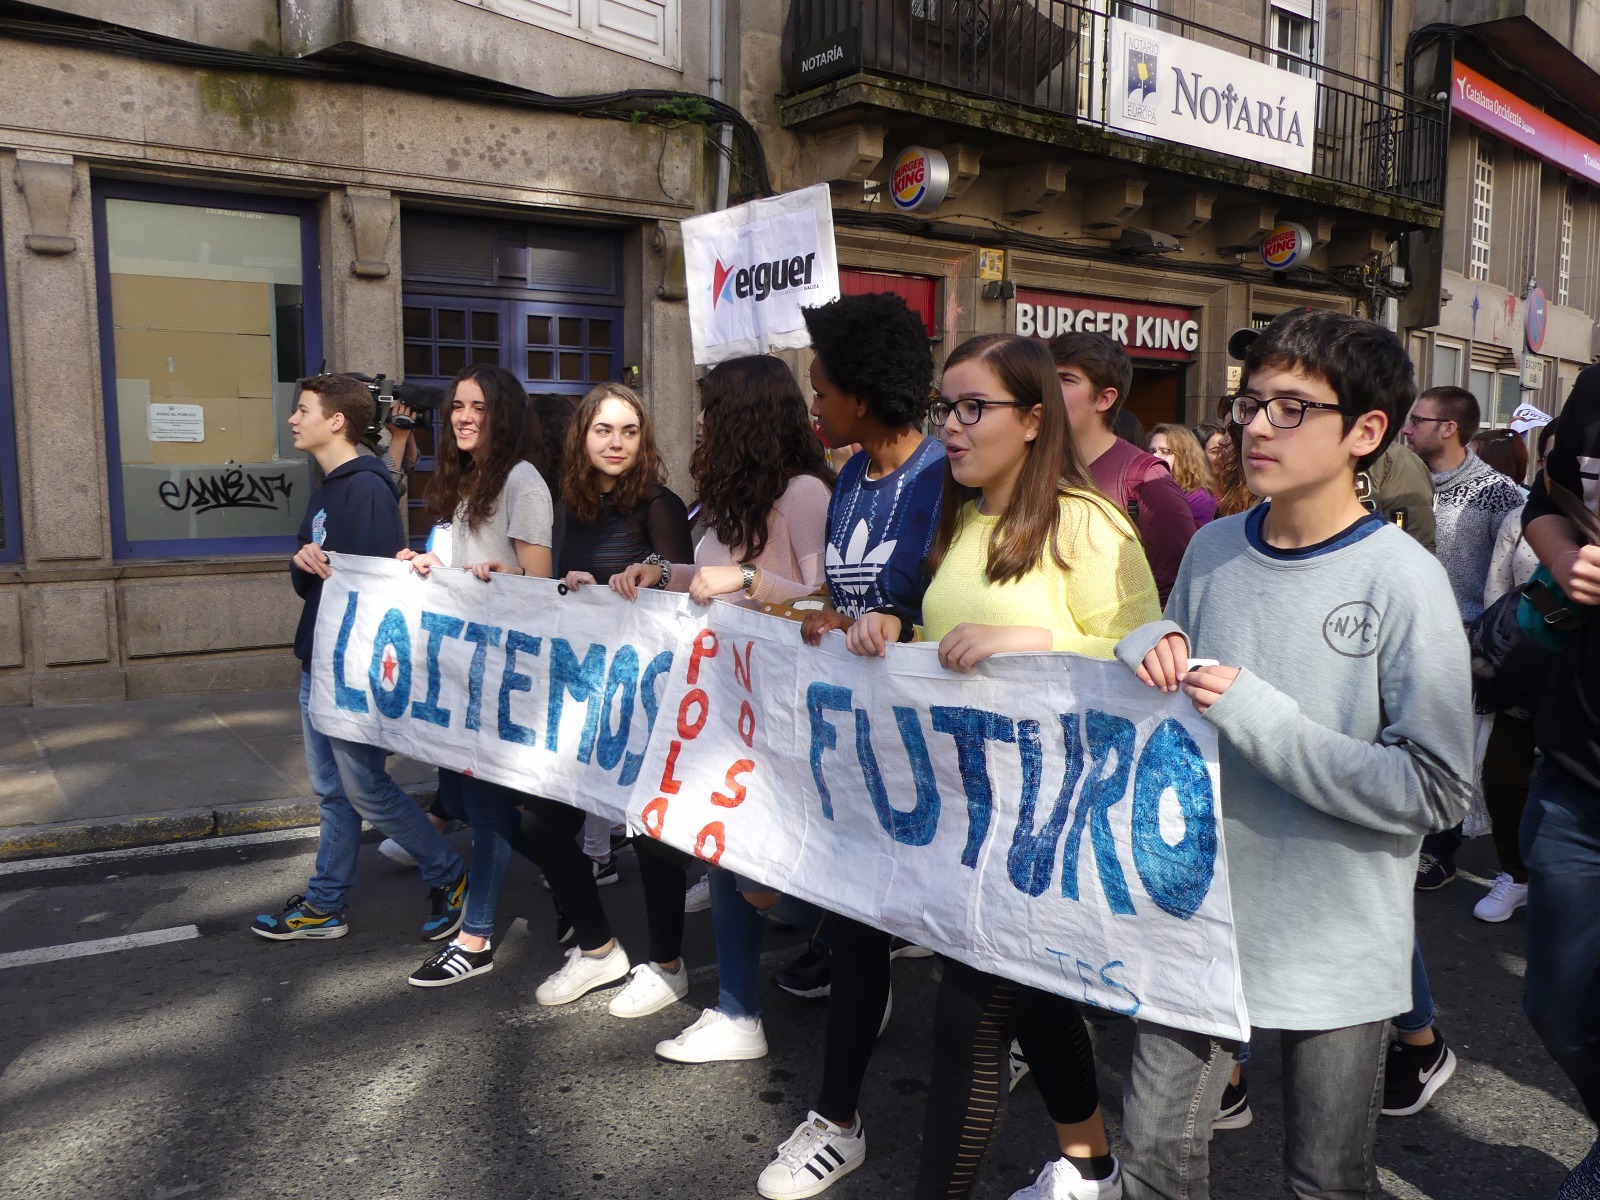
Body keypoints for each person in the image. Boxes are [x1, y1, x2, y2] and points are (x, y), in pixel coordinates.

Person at [1116, 309, 1474, 1200]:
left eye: (1291, 408)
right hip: (1196, 913)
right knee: (1152, 1158)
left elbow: (1437, 789)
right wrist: (1148, 640)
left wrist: (1262, 718)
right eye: (1250, 404)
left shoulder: (1404, 579)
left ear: (1366, 432)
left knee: (1325, 1179)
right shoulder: (1213, 546)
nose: (1256, 427)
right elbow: (1174, 651)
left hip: (1338, 936)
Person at [847, 333, 1157, 1200]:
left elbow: (1147, 658)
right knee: (1039, 999)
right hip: (968, 821)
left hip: (1052, 829)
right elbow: (955, 643)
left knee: (969, 1021)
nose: (950, 425)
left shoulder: (1088, 522)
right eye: (945, 406)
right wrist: (898, 629)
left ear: (1033, 419)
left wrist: (1035, 642)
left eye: (973, 407)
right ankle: (1093, 1169)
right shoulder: (962, 519)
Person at [756, 292, 944, 1200]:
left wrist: (904, 626)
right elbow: (844, 595)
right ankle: (836, 1120)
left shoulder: (948, 479)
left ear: (862, 396)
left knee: (985, 958)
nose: (813, 405)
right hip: (866, 753)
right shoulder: (850, 482)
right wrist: (817, 614)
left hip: (947, 758)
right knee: (858, 924)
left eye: (822, 388)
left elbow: (950, 606)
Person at [610, 354, 835, 1064]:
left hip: (783, 709)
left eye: (711, 409)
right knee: (724, 850)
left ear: (746, 416)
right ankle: (738, 1010)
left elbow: (823, 599)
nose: (701, 422)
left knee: (764, 878)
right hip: (727, 706)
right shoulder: (732, 498)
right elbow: (711, 577)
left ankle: (852, 953)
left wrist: (746, 577)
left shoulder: (804, 493)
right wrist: (661, 572)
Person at [250, 374, 470, 947]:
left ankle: (449, 875)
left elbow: (377, 589)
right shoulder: (328, 485)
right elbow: (313, 581)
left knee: (364, 787)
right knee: (333, 791)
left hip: (352, 669)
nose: (293, 419)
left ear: (336, 421)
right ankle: (326, 904)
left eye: (303, 410)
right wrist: (302, 561)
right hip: (318, 659)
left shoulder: (366, 488)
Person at [530, 382, 697, 1014]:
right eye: (604, 429)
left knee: (653, 834)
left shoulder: (659, 504)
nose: (617, 442)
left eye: (629, 431)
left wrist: (644, 578)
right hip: (583, 696)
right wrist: (572, 585)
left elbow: (681, 594)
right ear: (583, 436)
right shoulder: (565, 504)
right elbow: (555, 589)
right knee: (540, 824)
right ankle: (598, 949)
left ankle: (669, 965)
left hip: (648, 699)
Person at [395, 364, 556, 987]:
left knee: (484, 808)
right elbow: (467, 567)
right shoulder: (470, 478)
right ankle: (573, 884)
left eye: (478, 406)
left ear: (504, 414)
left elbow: (542, 585)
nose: (463, 416)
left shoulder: (522, 481)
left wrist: (507, 576)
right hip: (464, 671)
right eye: (458, 406)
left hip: (501, 674)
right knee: (464, 800)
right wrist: (430, 566)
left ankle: (476, 937)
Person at [1521, 364, 1600, 1200]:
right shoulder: (1596, 388)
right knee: (1558, 1007)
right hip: (1578, 768)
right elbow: (1542, 502)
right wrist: (1566, 555)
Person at [1403, 386, 1526, 890]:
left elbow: (1516, 569)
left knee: (1447, 746)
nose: (1407, 428)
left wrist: (1488, 636)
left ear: (1449, 428)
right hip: (1400, 632)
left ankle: (1440, 849)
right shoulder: (1401, 480)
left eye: (1418, 420)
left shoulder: (1498, 493)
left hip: (1461, 641)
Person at [1473, 422, 1558, 925]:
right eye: (1552, 458)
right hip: (1523, 666)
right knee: (1503, 776)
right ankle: (1515, 873)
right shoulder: (1521, 517)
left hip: (1580, 678)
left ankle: (1567, 881)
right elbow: (1497, 589)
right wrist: (1501, 655)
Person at [1049, 332, 1196, 602]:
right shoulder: (1031, 465)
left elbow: (1176, 590)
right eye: (1047, 376)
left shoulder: (1146, 480)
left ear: (1104, 399)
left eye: (1066, 379)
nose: (1048, 389)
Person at [1148, 424, 1218, 526]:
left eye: (1164, 451)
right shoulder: (1150, 489)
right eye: (1152, 451)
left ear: (1185, 457)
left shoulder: (1199, 499)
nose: (1154, 456)